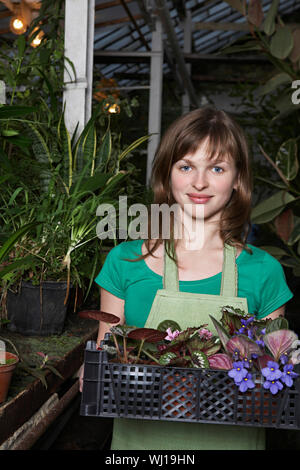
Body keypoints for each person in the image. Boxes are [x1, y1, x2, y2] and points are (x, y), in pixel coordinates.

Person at [79, 106, 293, 450]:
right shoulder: (125, 261)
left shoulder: (264, 270)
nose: (199, 182)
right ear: (168, 173)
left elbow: (275, 377)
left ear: (238, 179)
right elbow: (106, 361)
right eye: (186, 166)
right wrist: (90, 372)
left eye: (217, 168)